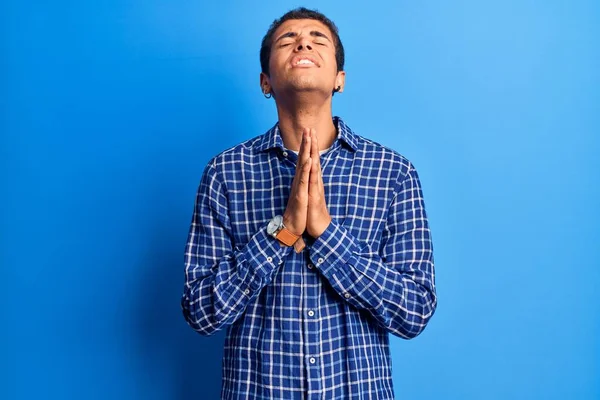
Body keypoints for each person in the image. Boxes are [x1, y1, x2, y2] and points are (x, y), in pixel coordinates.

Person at [181, 7, 437, 399]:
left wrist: (327, 234)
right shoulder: (225, 173)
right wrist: (281, 233)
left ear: (339, 79)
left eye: (318, 40)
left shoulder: (393, 172)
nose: (302, 42)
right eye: (287, 40)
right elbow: (200, 311)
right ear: (265, 81)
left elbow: (414, 310)